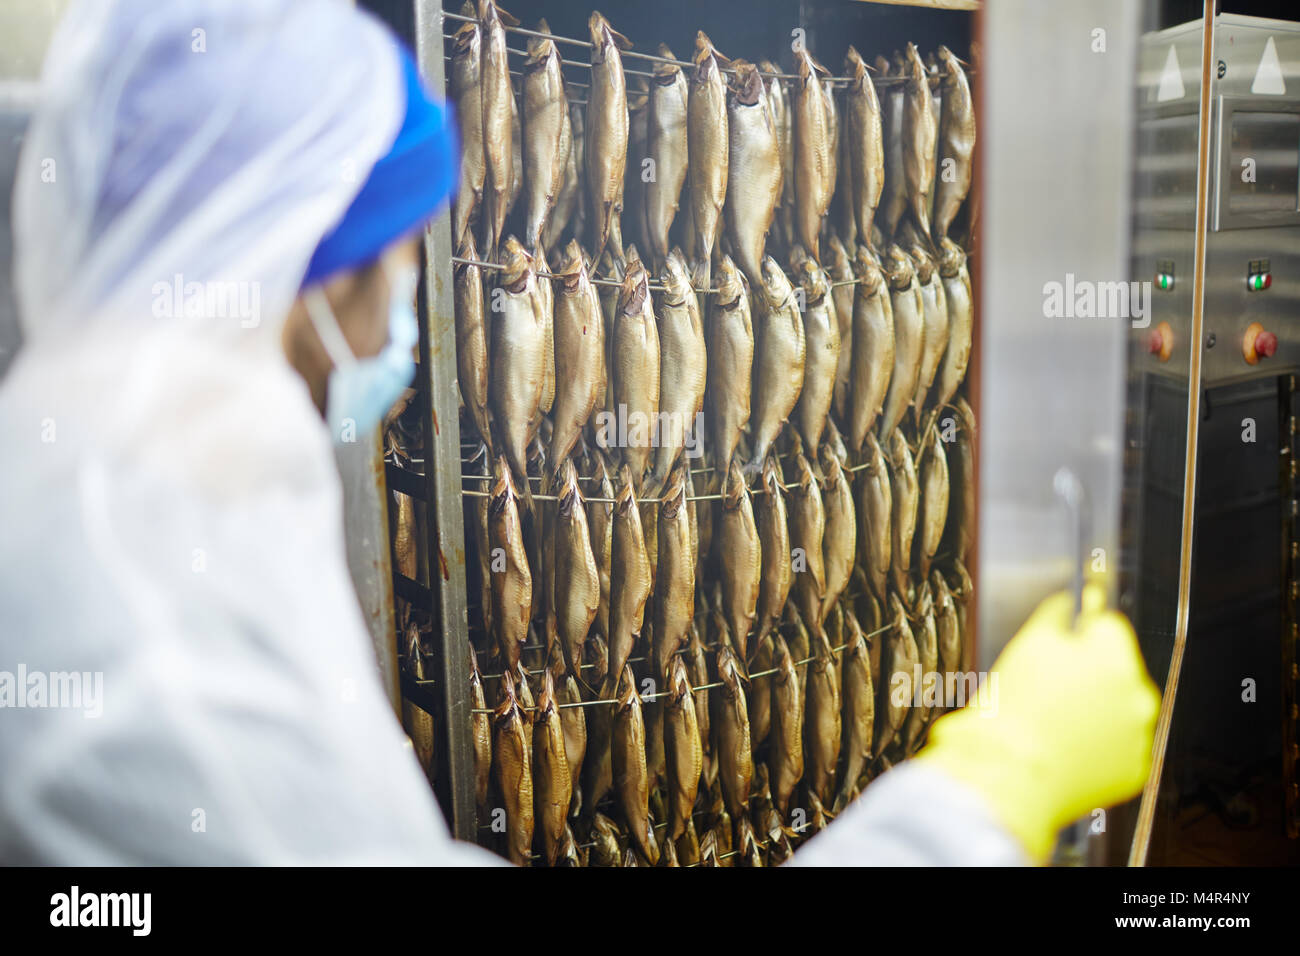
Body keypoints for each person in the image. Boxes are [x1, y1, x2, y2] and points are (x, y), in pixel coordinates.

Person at [0, 0, 1159, 866]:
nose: (409, 309)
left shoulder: (107, 474)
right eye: (406, 257)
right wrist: (984, 795)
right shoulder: (154, 597)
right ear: (311, 267)